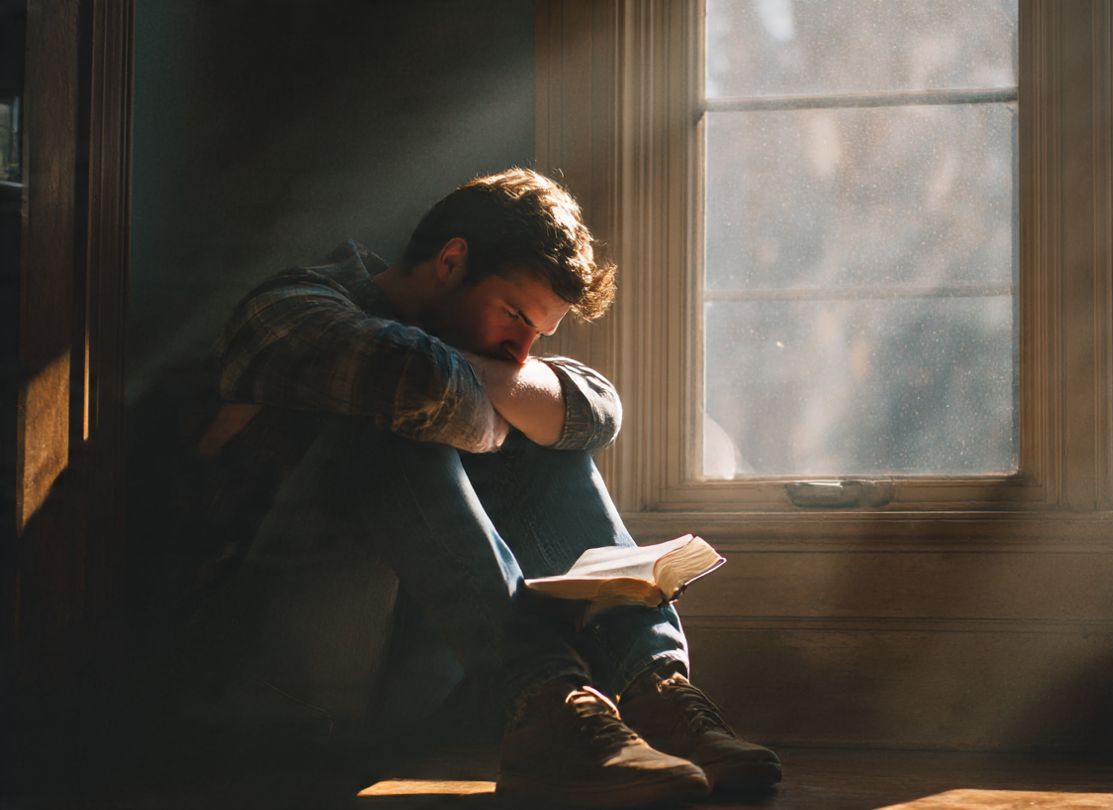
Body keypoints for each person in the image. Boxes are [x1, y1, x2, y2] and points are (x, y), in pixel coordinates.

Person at [194, 168, 781, 806]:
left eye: (539, 337)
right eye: (513, 316)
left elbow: (597, 411)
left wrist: (505, 396)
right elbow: (415, 383)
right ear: (451, 260)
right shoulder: (289, 306)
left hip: (410, 681)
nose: (521, 351)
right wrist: (517, 404)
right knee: (392, 421)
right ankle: (545, 699)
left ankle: (654, 693)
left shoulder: (486, 347)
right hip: (273, 688)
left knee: (555, 451)